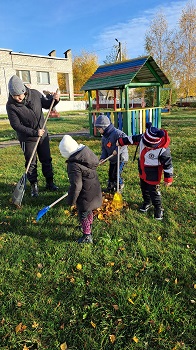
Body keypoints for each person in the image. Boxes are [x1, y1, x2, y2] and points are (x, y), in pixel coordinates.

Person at [6, 75, 60, 197]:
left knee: (46, 159)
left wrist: (55, 99)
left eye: (20, 95)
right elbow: (16, 125)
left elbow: (47, 104)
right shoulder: (11, 106)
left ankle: (49, 182)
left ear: (24, 90)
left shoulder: (35, 94)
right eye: (15, 96)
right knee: (31, 162)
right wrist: (35, 133)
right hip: (27, 138)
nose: (19, 98)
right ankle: (34, 185)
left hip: (43, 135)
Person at [117, 122, 173, 220]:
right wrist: (121, 141)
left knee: (154, 191)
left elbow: (168, 165)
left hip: (153, 173)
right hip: (143, 170)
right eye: (146, 145)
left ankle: (158, 208)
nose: (147, 147)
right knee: (144, 188)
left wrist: (168, 178)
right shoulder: (143, 138)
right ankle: (147, 202)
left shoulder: (163, 150)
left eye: (150, 146)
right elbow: (132, 139)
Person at [59, 135, 102, 244]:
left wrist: (71, 200)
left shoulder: (74, 165)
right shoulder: (86, 155)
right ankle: (89, 225)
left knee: (83, 213)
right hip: (94, 190)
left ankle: (87, 235)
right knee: (89, 210)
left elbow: (76, 185)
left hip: (85, 194)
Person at [94, 114, 129, 192]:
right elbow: (104, 150)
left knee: (117, 173)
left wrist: (117, 149)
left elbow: (125, 141)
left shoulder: (117, 133)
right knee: (111, 173)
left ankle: (119, 185)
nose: (99, 131)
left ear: (104, 127)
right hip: (112, 159)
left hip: (121, 157)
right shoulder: (104, 137)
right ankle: (111, 185)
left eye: (99, 129)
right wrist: (103, 158)